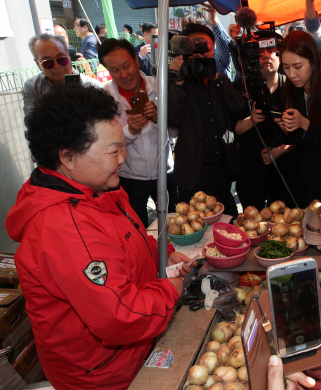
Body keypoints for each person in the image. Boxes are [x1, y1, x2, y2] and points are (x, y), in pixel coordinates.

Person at [4, 85, 195, 390]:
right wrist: (170, 289)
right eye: (113, 149)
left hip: (134, 352)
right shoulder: (62, 227)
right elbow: (120, 317)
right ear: (68, 157)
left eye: (123, 146)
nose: (123, 158)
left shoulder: (95, 189)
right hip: (103, 375)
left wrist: (163, 252)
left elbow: (126, 237)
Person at [168, 24, 245, 217]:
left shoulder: (220, 79)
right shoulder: (178, 83)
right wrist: (177, 81)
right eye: (195, 47)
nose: (202, 53)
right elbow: (170, 120)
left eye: (207, 47)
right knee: (193, 224)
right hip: (193, 172)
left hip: (222, 169)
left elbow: (239, 106)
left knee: (228, 218)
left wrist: (216, 79)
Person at [99, 39, 178, 227]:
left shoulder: (161, 87)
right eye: (115, 70)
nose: (124, 75)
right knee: (136, 229)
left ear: (136, 60)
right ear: (108, 71)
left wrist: (159, 118)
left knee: (174, 225)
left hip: (166, 173)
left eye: (127, 66)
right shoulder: (104, 98)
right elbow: (105, 146)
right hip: (129, 178)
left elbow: (175, 131)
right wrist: (130, 131)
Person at [276, 31, 321, 207]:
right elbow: (297, 142)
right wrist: (286, 129)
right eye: (286, 67)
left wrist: (305, 124)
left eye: (298, 67)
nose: (292, 74)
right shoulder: (289, 91)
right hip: (303, 179)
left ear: (313, 62)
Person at [234, 39, 303, 209]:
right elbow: (233, 129)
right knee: (251, 217)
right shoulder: (241, 86)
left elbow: (303, 134)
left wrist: (279, 151)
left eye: (272, 51)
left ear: (280, 57)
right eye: (259, 54)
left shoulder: (292, 87)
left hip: (284, 167)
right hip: (250, 167)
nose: (266, 57)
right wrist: (252, 120)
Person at [23, 33, 101, 118]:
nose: (57, 66)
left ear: (68, 56)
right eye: (48, 62)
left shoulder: (93, 85)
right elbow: (31, 121)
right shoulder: (32, 87)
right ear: (38, 64)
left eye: (62, 59)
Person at [182, 2, 233, 79]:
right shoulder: (184, 55)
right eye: (187, 31)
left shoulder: (214, 53)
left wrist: (214, 22)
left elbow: (225, 48)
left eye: (194, 30)